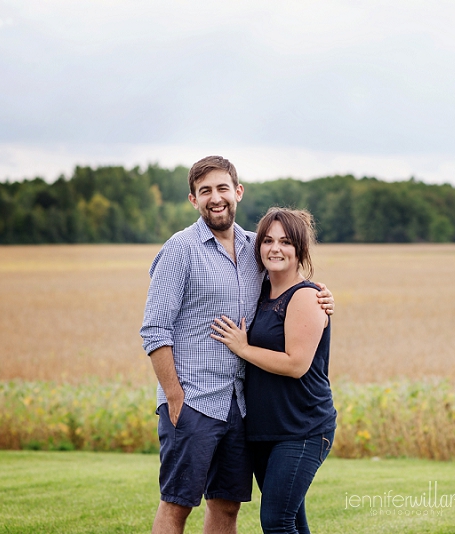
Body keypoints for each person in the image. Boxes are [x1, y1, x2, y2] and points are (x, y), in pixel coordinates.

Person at [140, 157, 334, 534]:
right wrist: (174, 396)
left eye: (222, 188)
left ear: (238, 192)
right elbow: (155, 329)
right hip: (194, 401)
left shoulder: (255, 249)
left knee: (227, 507)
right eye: (205, 191)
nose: (216, 198)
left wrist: (322, 295)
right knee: (176, 505)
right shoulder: (180, 250)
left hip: (239, 408)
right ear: (193, 199)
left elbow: (289, 288)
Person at [211, 208, 337, 534]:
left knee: (276, 522)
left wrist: (243, 348)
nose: (275, 248)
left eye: (285, 242)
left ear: (300, 250)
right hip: (265, 430)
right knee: (292, 521)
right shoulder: (262, 293)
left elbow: (297, 365)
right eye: (267, 240)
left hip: (303, 428)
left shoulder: (307, 297)